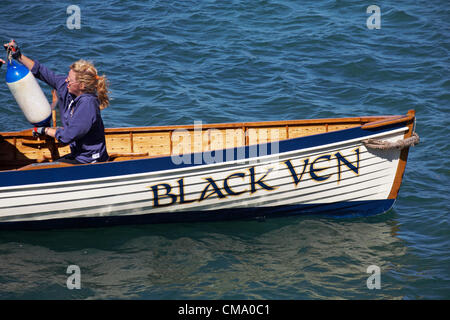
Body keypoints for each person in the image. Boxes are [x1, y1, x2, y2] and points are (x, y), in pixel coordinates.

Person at [3, 40, 109, 164]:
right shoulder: (67, 88)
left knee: (45, 172)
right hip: (77, 155)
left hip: (92, 160)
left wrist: (44, 130)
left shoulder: (88, 104)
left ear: (82, 85)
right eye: (67, 77)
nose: (66, 81)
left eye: (69, 80)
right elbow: (42, 72)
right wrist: (18, 56)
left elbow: (67, 136)